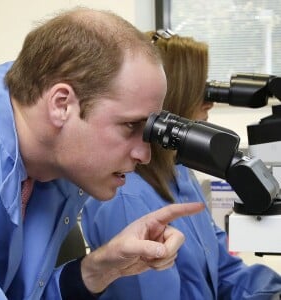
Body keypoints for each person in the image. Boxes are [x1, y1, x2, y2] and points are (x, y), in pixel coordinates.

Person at [0, 9, 206, 300]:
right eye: (130, 125)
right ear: (61, 104)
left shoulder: (54, 165)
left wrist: (101, 268)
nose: (145, 155)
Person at [81, 30, 281, 299]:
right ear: (172, 98)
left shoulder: (178, 171)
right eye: (201, 88)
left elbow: (224, 271)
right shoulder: (126, 197)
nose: (210, 100)